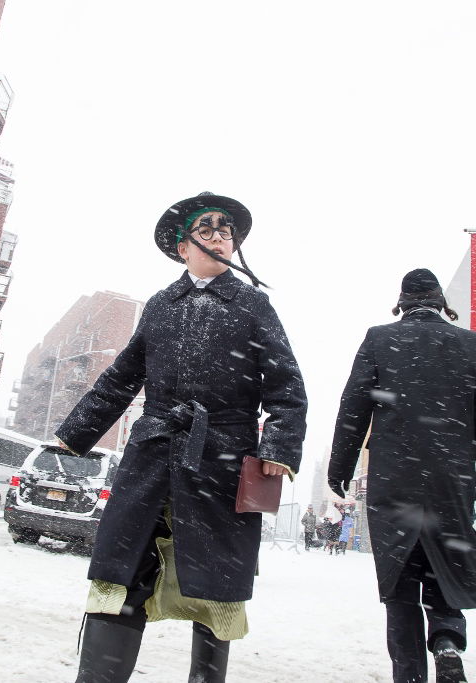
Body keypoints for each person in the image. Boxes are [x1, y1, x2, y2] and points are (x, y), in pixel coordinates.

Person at [56, 192, 308, 683]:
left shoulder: (254, 306)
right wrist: (76, 433)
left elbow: (287, 386)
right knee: (123, 568)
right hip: (151, 456)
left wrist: (277, 446)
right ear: (182, 248)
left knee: (215, 585)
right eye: (207, 230)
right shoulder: (160, 306)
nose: (220, 237)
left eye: (227, 231)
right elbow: (120, 378)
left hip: (223, 461)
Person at [328, 268, 476, 683]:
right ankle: (446, 640)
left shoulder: (380, 339)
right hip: (450, 477)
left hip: (395, 479)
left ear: (402, 302)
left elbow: (352, 410)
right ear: (441, 302)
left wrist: (340, 470)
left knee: (400, 582)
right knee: (446, 563)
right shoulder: (470, 344)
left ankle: (408, 673)